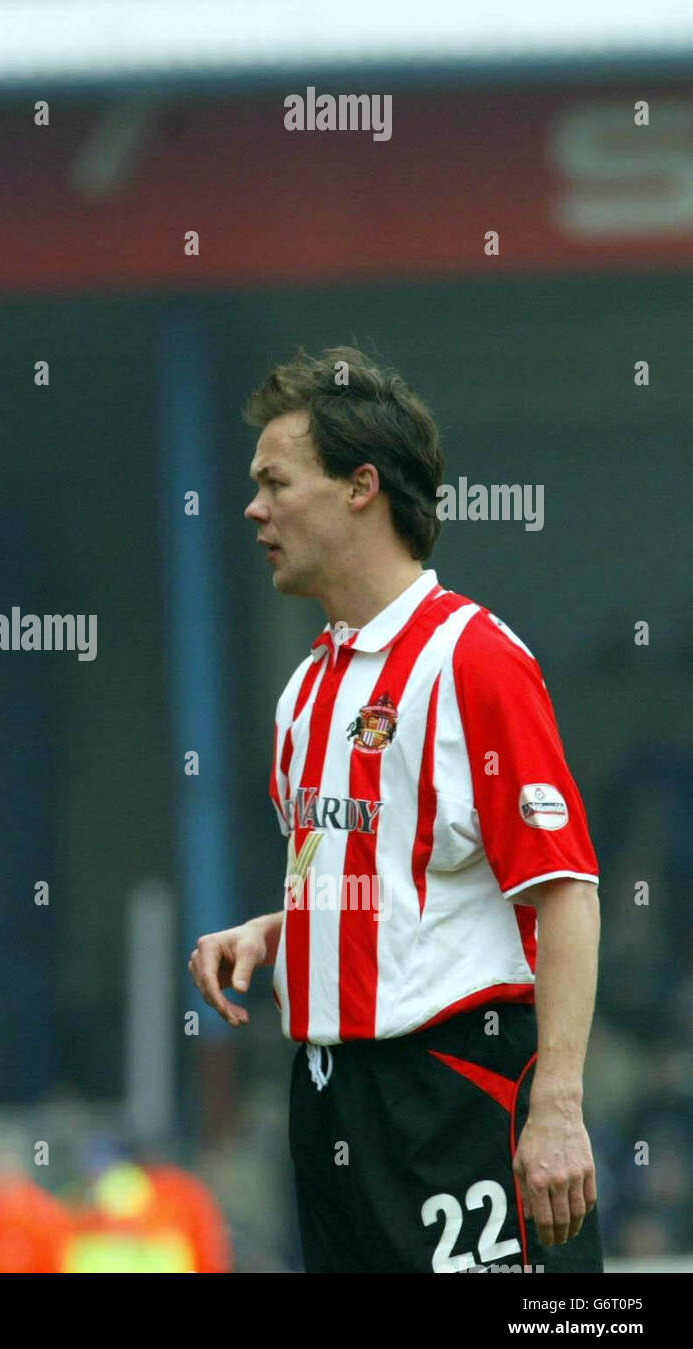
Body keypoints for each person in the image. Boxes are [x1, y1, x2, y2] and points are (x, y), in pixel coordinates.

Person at [189, 346, 602, 1273]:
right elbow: (392, 881)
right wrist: (276, 930)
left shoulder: (475, 660)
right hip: (331, 1097)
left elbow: (566, 891)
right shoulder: (306, 689)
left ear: (360, 487)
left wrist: (560, 1110)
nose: (252, 508)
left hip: (454, 1090)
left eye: (275, 482)